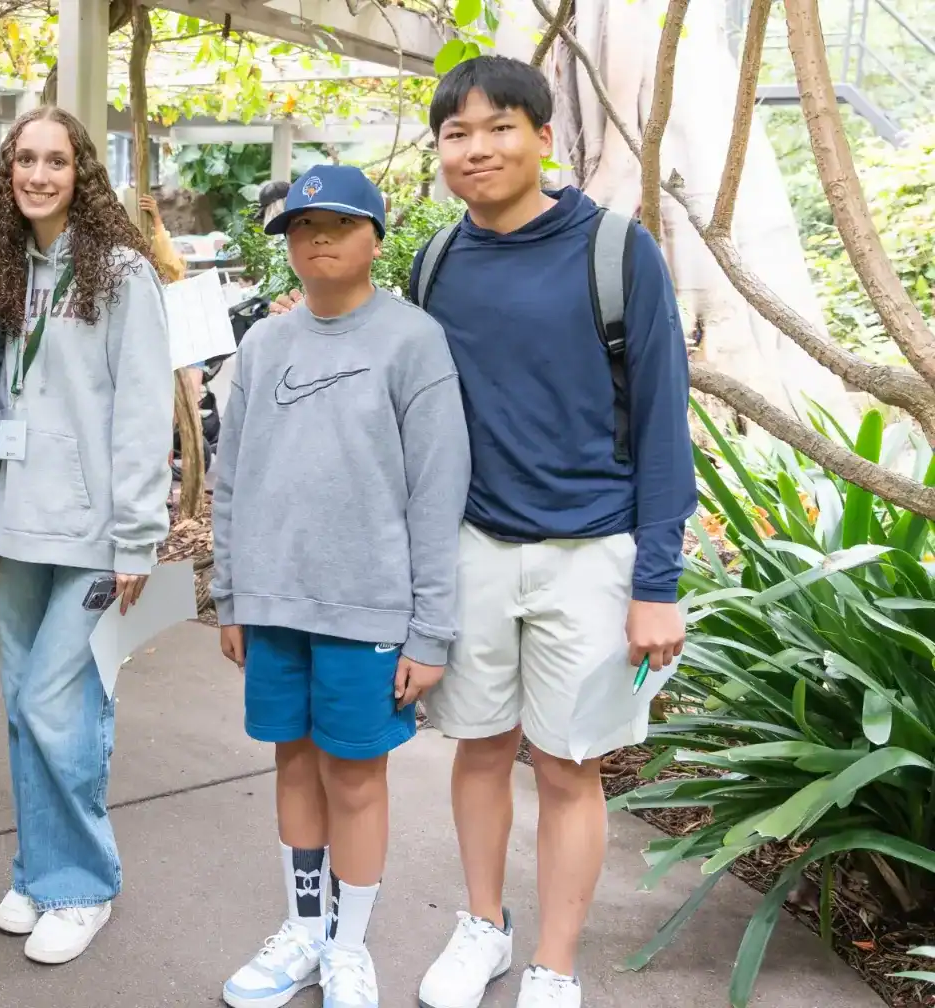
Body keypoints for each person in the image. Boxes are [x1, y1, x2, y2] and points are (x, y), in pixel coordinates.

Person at [267, 57, 693, 1008]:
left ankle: (554, 961)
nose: (477, 148)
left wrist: (656, 583)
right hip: (476, 545)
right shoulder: (436, 262)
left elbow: (666, 422)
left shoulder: (619, 252)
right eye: (456, 133)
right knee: (481, 747)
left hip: (592, 550)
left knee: (571, 766)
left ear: (544, 136)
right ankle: (483, 927)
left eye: (500, 126)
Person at [211, 164, 470, 1008]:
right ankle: (303, 929)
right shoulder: (264, 344)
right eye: (299, 226)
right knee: (293, 761)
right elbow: (232, 478)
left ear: (375, 237)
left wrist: (430, 631)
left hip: (369, 607)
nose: (316, 238)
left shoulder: (412, 340)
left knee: (355, 776)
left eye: (338, 223)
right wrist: (229, 593)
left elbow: (438, 494)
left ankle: (348, 948)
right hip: (275, 602)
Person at [0, 105, 174, 966]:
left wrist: (139, 536)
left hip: (97, 531)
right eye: (26, 159)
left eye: (56, 161)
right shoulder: (6, 266)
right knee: (24, 708)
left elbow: (141, 412)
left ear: (81, 171)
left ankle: (85, 883)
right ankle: (38, 870)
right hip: (20, 525)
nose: (38, 175)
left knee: (62, 705)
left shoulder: (123, 272)